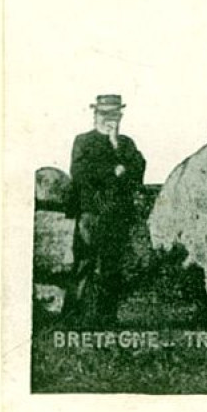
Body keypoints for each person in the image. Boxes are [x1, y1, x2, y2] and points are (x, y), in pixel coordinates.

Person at [63, 94, 146, 326]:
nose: (110, 119)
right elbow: (79, 172)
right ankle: (73, 316)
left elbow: (138, 169)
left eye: (115, 115)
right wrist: (112, 172)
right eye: (105, 114)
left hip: (117, 213)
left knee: (112, 265)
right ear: (95, 115)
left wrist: (116, 145)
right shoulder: (83, 141)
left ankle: (106, 317)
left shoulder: (126, 144)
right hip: (91, 211)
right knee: (84, 263)